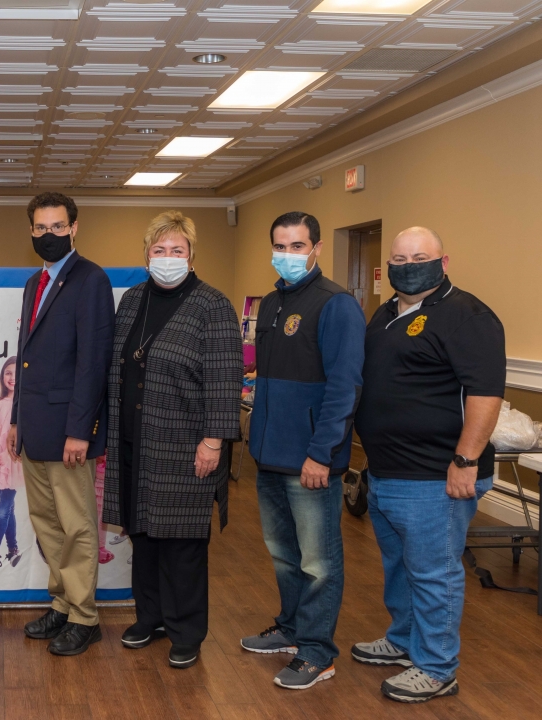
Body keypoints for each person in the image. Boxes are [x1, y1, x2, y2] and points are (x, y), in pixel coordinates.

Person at [353, 227, 504, 704]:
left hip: (437, 476)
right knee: (400, 566)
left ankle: (437, 667)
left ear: (443, 261)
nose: (407, 263)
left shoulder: (468, 316)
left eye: (419, 255)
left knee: (434, 572)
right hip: (386, 471)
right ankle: (403, 641)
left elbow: (485, 394)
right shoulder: (384, 313)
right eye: (398, 257)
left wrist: (465, 460)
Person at [103, 211, 242, 670]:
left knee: (182, 542)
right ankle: (151, 618)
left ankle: (186, 631)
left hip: (186, 445)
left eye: (177, 251)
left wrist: (214, 441)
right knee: (143, 535)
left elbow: (225, 378)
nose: (168, 258)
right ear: (146, 255)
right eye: (159, 250)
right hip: (135, 443)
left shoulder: (212, 305)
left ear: (191, 256)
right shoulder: (132, 301)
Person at [242, 212, 366, 689]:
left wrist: (322, 452)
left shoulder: (336, 305)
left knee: (318, 561)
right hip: (270, 456)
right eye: (280, 245)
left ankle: (317, 651)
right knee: (283, 554)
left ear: (315, 248)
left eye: (297, 246)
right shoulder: (272, 303)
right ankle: (292, 630)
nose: (288, 254)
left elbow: (344, 387)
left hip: (312, 460)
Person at [8, 192, 115, 656]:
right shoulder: (35, 282)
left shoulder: (91, 280)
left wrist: (80, 429)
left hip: (68, 429)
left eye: (56, 227)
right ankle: (63, 604)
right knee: (47, 523)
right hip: (33, 426)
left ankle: (86, 617)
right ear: (31, 230)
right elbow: (26, 355)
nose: (47, 235)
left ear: (74, 228)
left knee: (76, 525)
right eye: (39, 228)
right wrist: (15, 419)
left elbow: (93, 362)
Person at [0, 356, 23, 568]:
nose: (12, 378)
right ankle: (13, 549)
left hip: (15, 458)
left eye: (17, 373)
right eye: (8, 373)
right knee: (8, 509)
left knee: (3, 510)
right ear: (2, 376)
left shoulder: (24, 401)